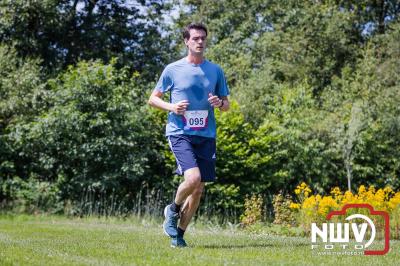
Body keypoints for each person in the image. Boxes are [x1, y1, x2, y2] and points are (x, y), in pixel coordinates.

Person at [148, 22, 230, 248]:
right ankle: (172, 209)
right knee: (192, 179)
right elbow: (152, 99)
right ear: (186, 41)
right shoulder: (172, 69)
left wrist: (219, 102)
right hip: (180, 132)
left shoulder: (215, 70)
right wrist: (172, 107)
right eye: (195, 38)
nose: (200, 41)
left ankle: (178, 235)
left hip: (206, 135)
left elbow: (226, 106)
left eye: (203, 38)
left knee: (199, 188)